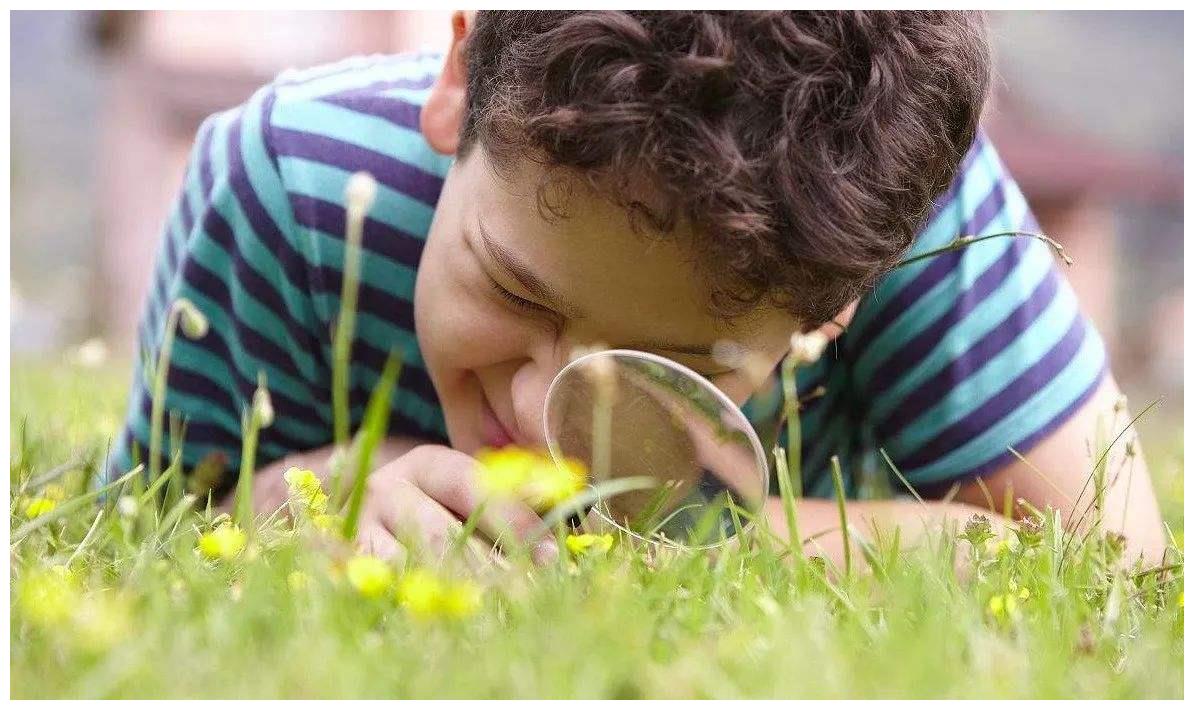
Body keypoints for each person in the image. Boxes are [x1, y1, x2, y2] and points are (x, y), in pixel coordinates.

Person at [111, 10, 1166, 566]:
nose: (545, 419)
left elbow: (1117, 557)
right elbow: (143, 521)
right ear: (458, 83)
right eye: (516, 294)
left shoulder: (908, 218)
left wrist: (691, 543)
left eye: (678, 370)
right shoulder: (293, 179)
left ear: (836, 305)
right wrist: (309, 494)